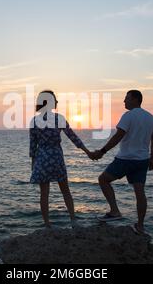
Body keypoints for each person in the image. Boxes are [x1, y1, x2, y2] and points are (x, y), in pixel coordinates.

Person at [93, 90, 153, 234]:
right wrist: (152, 158)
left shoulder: (128, 116)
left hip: (126, 159)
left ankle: (115, 211)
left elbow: (118, 136)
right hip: (142, 160)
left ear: (135, 99)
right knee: (140, 192)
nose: (124, 101)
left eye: (126, 98)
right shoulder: (150, 117)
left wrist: (102, 151)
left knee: (103, 180)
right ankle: (140, 226)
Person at [29, 90, 95, 229]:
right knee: (65, 190)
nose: (57, 103)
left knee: (44, 194)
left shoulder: (34, 121)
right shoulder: (59, 118)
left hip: (42, 159)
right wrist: (87, 151)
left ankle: (47, 224)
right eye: (55, 100)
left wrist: (33, 165)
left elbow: (32, 146)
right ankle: (73, 221)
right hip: (56, 158)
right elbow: (73, 137)